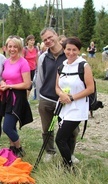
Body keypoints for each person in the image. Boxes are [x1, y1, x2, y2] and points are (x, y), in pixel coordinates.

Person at [36, 27, 80, 163]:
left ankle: (69, 154)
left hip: (66, 100)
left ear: (56, 35)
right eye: (45, 40)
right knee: (47, 128)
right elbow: (40, 78)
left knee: (71, 130)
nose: (48, 41)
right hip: (47, 99)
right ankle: (50, 151)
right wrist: (40, 97)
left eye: (50, 37)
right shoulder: (43, 57)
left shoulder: (69, 54)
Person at [55, 37, 94, 171]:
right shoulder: (62, 66)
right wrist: (62, 95)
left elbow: (90, 88)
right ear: (64, 49)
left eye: (74, 50)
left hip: (77, 108)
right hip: (62, 107)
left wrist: (71, 97)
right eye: (68, 49)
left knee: (59, 139)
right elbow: (57, 87)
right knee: (67, 138)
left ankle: (69, 167)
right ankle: (66, 162)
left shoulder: (84, 65)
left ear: (79, 50)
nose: (71, 52)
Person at [0, 36, 33, 157]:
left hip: (17, 97)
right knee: (11, 125)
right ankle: (12, 148)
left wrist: (10, 87)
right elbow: (5, 78)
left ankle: (19, 149)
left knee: (7, 127)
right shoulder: (6, 62)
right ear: (6, 48)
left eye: (15, 47)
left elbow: (27, 84)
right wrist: (3, 83)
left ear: (19, 48)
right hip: (7, 96)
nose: (12, 49)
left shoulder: (23, 63)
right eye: (10, 46)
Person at [23, 35, 38, 99]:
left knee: (30, 85)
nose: (32, 42)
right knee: (26, 84)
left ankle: (26, 99)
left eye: (33, 40)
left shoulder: (36, 49)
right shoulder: (24, 49)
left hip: (33, 69)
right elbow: (22, 60)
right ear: (27, 41)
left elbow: (36, 58)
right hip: (26, 70)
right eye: (31, 40)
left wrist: (38, 67)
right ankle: (24, 98)